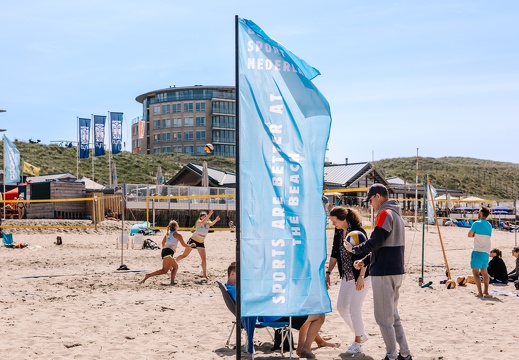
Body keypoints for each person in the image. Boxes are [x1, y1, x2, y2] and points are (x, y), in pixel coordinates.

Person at [343, 184, 412, 360]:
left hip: (384, 272)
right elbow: (382, 245)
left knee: (383, 318)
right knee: (393, 315)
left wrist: (354, 250)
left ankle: (391, 355)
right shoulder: (396, 214)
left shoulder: (384, 213)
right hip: (396, 270)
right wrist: (365, 260)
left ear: (379, 196)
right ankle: (404, 354)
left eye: (371, 200)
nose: (370, 204)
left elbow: (375, 242)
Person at [224, 262, 337, 358]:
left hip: (270, 312)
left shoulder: (232, 289)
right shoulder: (234, 290)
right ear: (233, 274)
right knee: (320, 315)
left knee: (306, 313)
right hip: (274, 315)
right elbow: (250, 303)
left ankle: (303, 348)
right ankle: (306, 349)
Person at [326, 206, 370, 355]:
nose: (333, 224)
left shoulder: (358, 231)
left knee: (354, 308)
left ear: (343, 219)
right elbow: (334, 253)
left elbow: (367, 254)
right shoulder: (338, 232)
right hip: (346, 275)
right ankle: (361, 334)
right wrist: (328, 272)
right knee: (342, 307)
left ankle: (358, 342)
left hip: (361, 276)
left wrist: (361, 277)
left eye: (334, 221)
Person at [140, 220, 193, 285]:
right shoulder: (178, 234)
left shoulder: (168, 234)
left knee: (175, 266)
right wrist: (190, 245)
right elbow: (184, 245)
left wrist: (165, 250)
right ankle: (148, 275)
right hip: (168, 252)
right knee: (164, 270)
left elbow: (162, 243)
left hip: (165, 251)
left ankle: (172, 282)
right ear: (176, 226)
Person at [176, 210, 220, 279]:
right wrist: (209, 214)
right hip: (193, 241)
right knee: (184, 255)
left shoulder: (208, 223)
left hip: (200, 242)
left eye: (205, 215)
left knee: (204, 259)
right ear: (200, 217)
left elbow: (212, 223)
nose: (204, 216)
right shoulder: (199, 222)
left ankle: (204, 275)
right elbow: (203, 221)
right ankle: (174, 262)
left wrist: (216, 220)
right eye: (203, 215)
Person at [468, 206, 492, 298]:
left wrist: (475, 234)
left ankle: (480, 292)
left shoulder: (476, 223)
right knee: (484, 272)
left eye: (479, 212)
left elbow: (469, 235)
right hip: (486, 250)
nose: (478, 213)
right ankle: (486, 291)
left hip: (478, 250)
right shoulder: (489, 225)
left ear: (481, 213)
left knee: (475, 272)